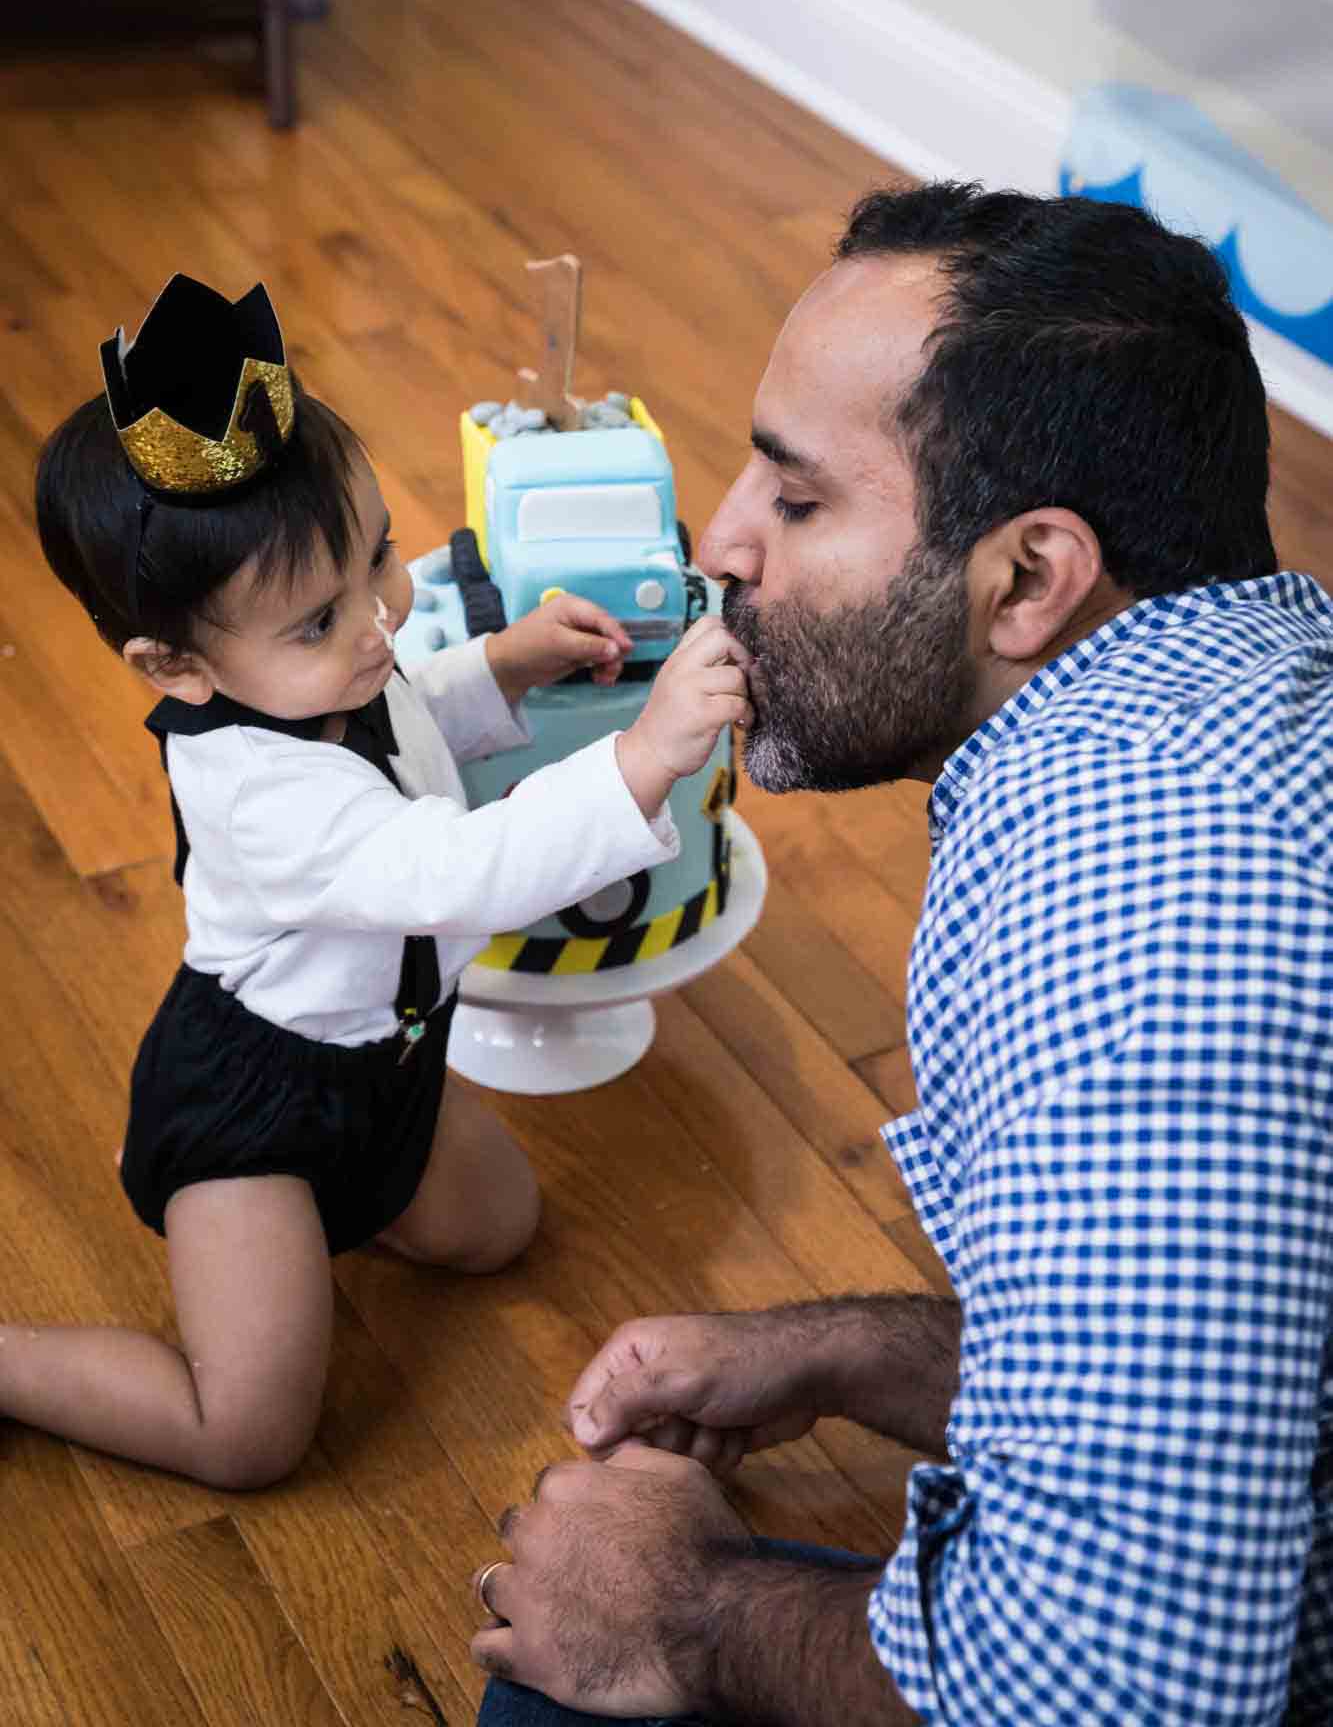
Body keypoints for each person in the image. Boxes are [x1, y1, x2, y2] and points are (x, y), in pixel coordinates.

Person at [467, 184, 1333, 1726]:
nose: (721, 538)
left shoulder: (1139, 942)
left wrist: (693, 1612)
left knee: (561, 1681)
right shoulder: (1251, 681)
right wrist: (861, 1353)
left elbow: (1121, 1701)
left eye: (797, 504)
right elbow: (1261, 1386)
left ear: (1026, 578)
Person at [11, 272, 752, 1492]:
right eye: (318, 618)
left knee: (499, 1225)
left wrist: (503, 665)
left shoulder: (337, 667)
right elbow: (451, 869)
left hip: (395, 1055)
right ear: (176, 666)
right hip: (259, 1098)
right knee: (245, 1433)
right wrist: (642, 757)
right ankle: (17, 1361)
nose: (374, 627)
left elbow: (412, 723)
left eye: (376, 562)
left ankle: (341, 1214)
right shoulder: (258, 797)